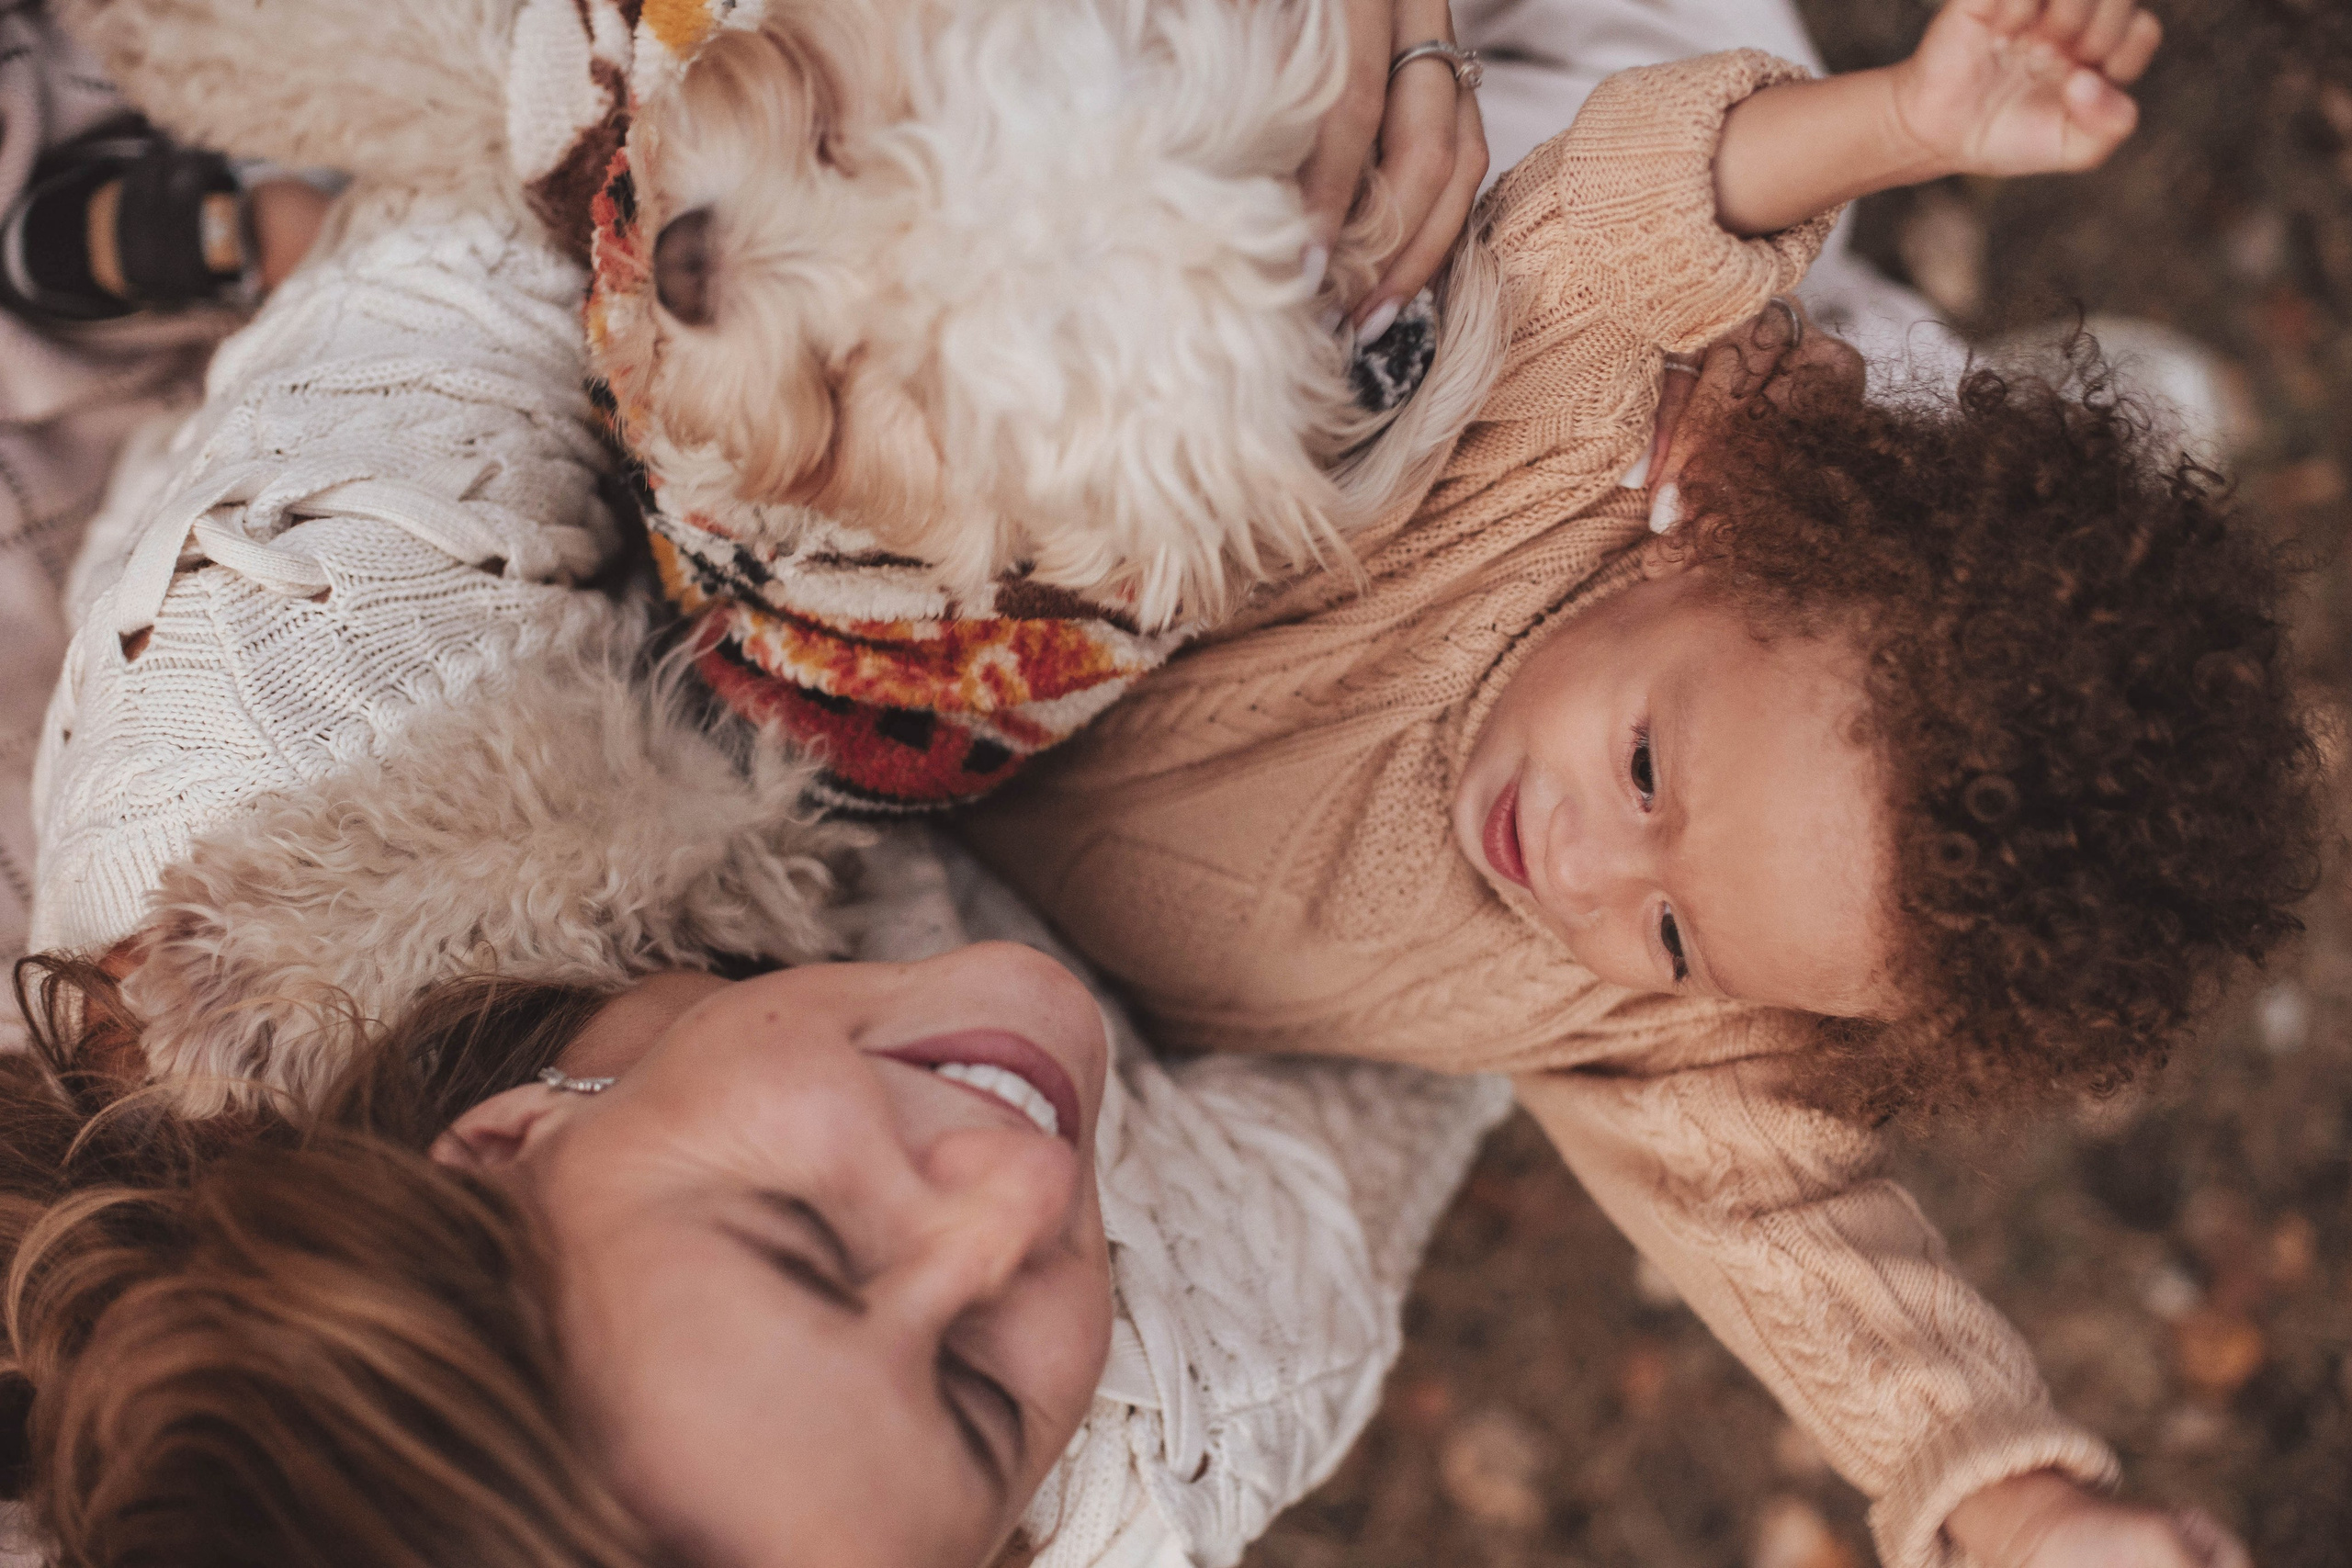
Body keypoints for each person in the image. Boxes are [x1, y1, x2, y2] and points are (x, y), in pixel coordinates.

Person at [4, 4, 1512, 1564]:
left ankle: (255, 235)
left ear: (511, 1141)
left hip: (551, 407)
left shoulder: (290, 686)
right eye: (977, 1400)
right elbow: (1438, 1014)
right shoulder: (1164, 1428)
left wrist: (1222, 99)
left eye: (809, 1239)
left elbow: (545, 184)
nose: (1011, 1195)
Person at [962, 4, 2310, 1566]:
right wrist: (1901, 124)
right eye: (1647, 769)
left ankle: (1918, 381)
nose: (1584, 868)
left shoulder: (1693, 995)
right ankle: (1889, 363)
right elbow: (1632, 209)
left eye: (1673, 936)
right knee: (1649, 181)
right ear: (1715, 534)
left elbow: (1795, 1233)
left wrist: (2020, 1502)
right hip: (1484, 191)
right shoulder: (1561, 437)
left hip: (1010, 857)